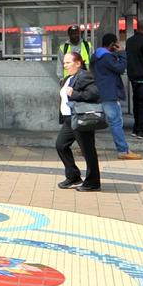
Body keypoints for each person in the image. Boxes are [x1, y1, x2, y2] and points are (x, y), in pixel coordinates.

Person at [56, 49, 101, 192]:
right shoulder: (69, 78)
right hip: (69, 120)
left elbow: (94, 93)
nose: (65, 65)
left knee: (88, 150)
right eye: (64, 63)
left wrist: (75, 94)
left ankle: (93, 182)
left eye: (68, 63)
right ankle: (73, 176)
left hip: (81, 119)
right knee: (61, 145)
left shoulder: (84, 75)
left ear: (78, 63)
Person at [90, 32, 141, 160]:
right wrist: (122, 53)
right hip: (109, 93)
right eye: (116, 43)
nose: (118, 45)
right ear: (113, 44)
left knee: (92, 122)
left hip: (100, 92)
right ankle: (123, 150)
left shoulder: (96, 55)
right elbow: (120, 68)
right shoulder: (107, 57)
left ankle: (85, 148)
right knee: (116, 122)